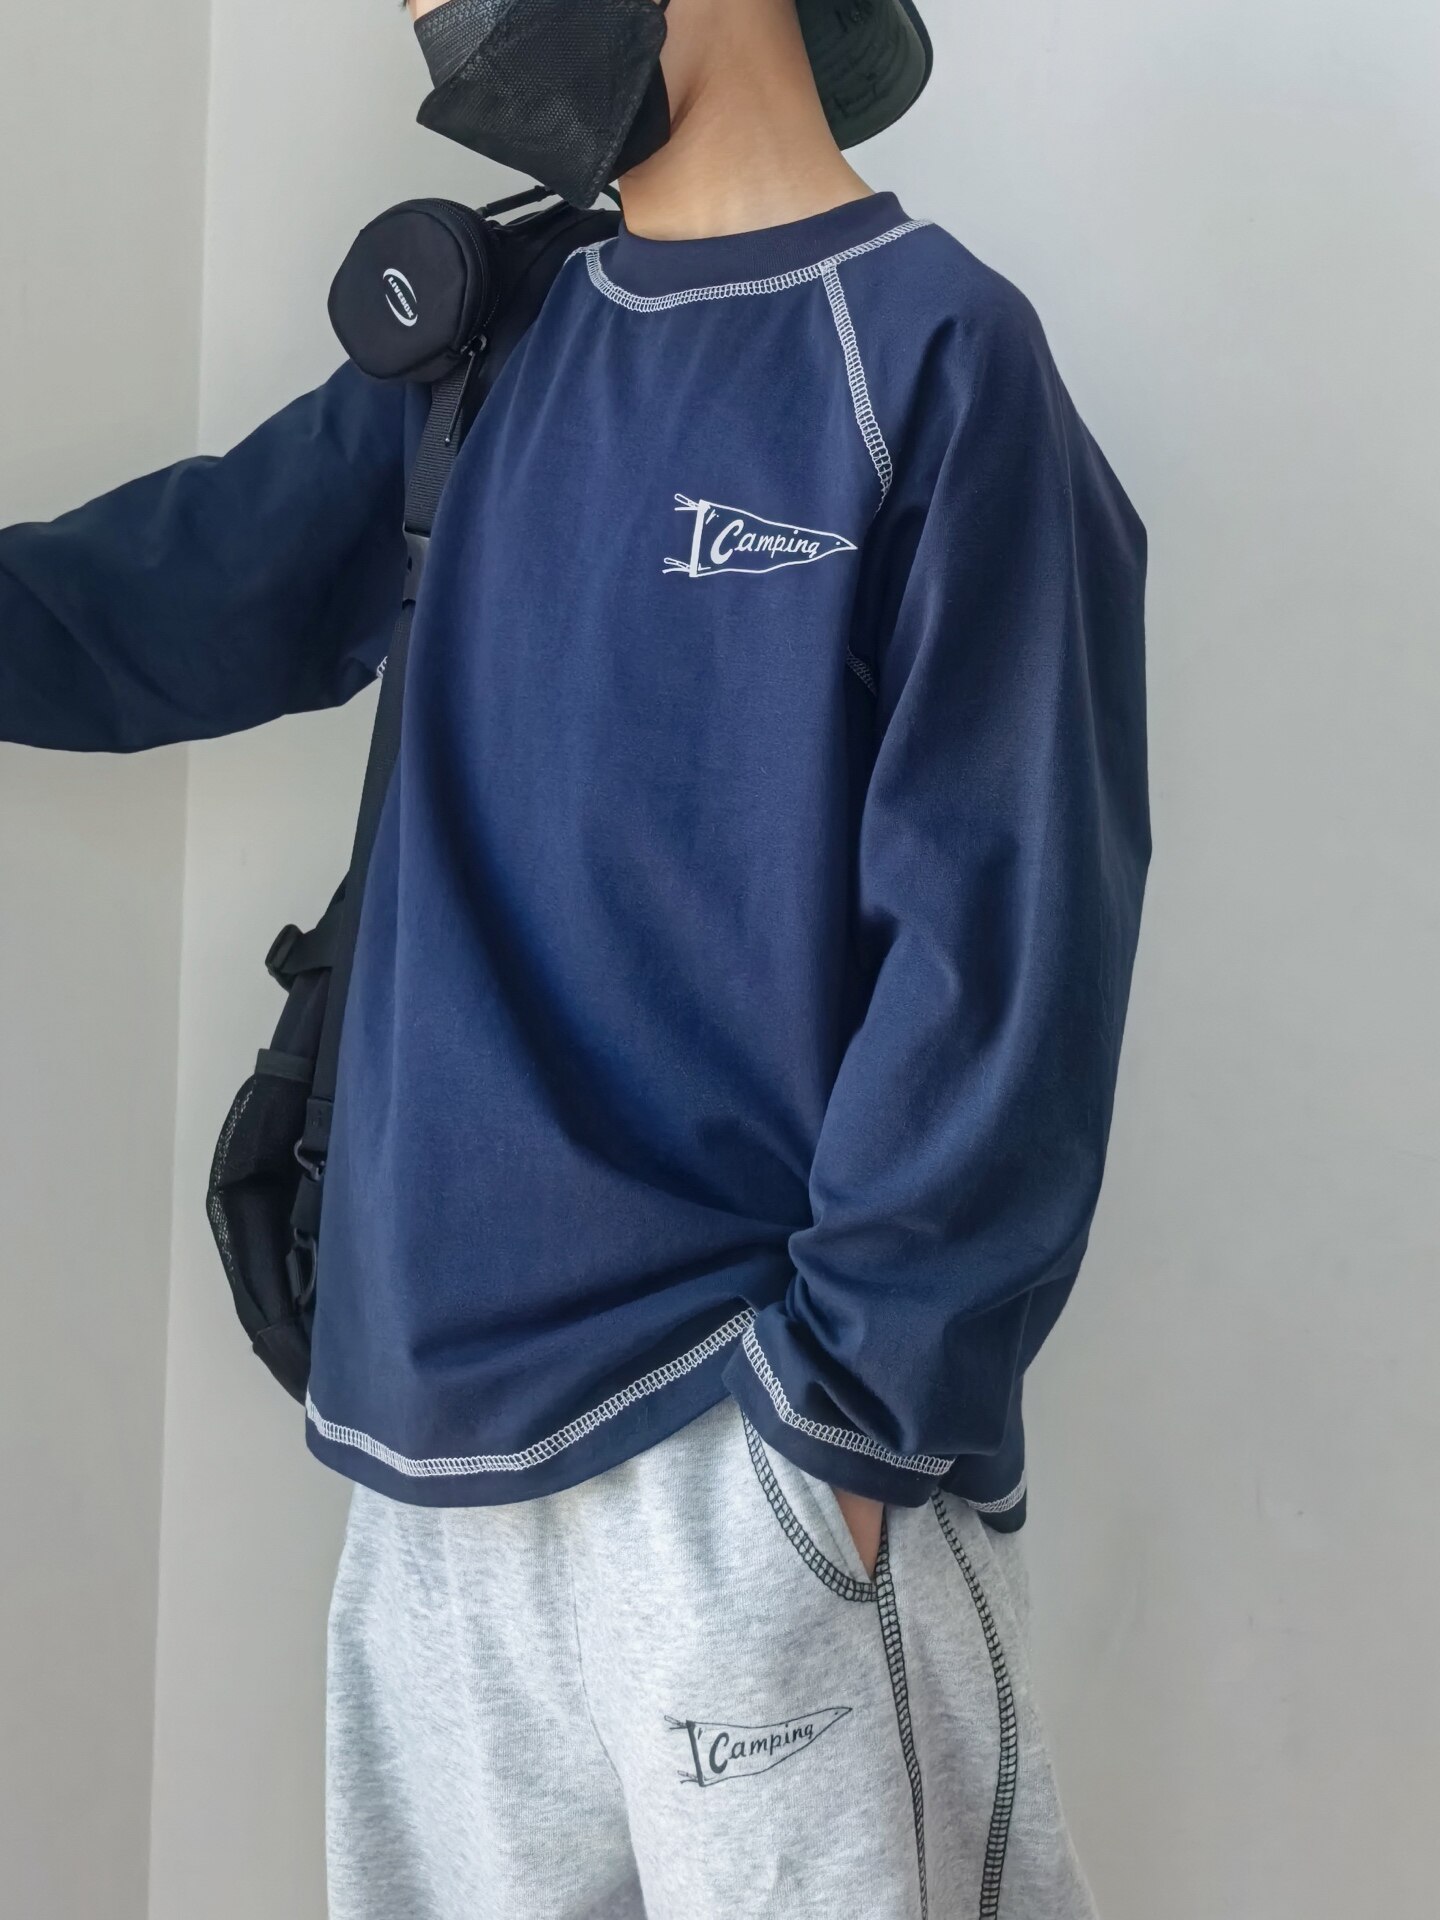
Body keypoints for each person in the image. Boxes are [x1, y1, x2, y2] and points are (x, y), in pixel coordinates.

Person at [0, 0, 1151, 1912]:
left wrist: (847, 1431)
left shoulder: (933, 357)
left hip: (751, 1452)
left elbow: (1008, 940)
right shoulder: (488, 351)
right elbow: (151, 605)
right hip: (427, 1485)